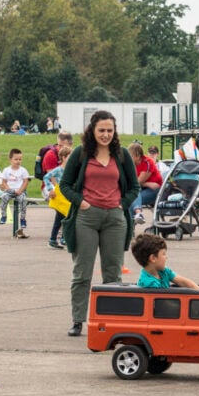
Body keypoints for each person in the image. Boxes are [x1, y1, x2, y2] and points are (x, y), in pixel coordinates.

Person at [59, 110, 140, 336]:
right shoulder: (81, 153)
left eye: (109, 130)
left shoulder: (122, 154)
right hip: (87, 218)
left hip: (115, 218)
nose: (105, 134)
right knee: (82, 273)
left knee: (113, 274)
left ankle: (111, 320)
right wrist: (81, 202)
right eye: (101, 130)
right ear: (92, 130)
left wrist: (122, 204)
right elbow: (64, 185)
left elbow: (134, 187)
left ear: (115, 132)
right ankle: (78, 320)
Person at [131, 233, 199, 289]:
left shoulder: (163, 271)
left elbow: (184, 282)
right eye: (163, 254)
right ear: (153, 258)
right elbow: (164, 302)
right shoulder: (149, 284)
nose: (166, 257)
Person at [43, 145, 72, 249]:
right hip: (59, 196)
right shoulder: (58, 170)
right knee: (61, 218)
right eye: (70, 157)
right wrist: (50, 189)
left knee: (67, 217)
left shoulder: (72, 170)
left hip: (67, 196)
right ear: (64, 157)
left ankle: (60, 239)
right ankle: (55, 239)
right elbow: (46, 177)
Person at [128, 141, 163, 224]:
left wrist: (142, 183)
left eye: (131, 155)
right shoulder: (130, 164)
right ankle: (137, 216)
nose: (128, 158)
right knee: (133, 195)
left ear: (137, 155)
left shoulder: (148, 163)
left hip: (155, 191)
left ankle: (131, 224)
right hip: (142, 189)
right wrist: (147, 184)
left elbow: (137, 182)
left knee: (132, 197)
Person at [0, 149, 31, 237]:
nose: (18, 161)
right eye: (16, 159)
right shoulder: (6, 170)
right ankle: (3, 215)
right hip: (9, 190)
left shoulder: (23, 170)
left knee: (23, 200)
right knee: (4, 197)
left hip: (19, 190)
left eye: (20, 159)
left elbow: (25, 182)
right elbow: (4, 182)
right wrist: (10, 190)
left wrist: (20, 190)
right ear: (10, 160)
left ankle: (23, 219)